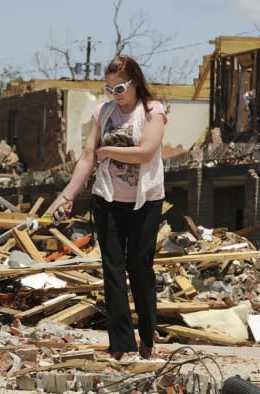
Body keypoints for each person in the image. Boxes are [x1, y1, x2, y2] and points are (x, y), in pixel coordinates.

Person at [46, 55, 167, 360]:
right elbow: (88, 157)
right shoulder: (103, 111)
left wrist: (107, 150)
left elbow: (146, 152)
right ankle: (122, 346)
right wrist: (67, 195)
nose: (115, 93)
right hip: (107, 199)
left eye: (120, 87)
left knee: (140, 269)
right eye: (109, 88)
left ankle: (147, 339)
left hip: (145, 200)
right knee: (113, 272)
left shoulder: (154, 110)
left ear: (135, 82)